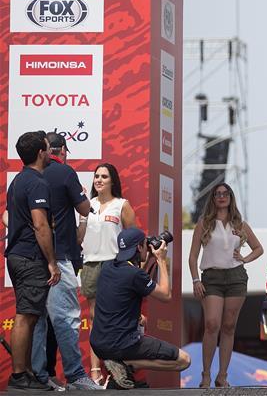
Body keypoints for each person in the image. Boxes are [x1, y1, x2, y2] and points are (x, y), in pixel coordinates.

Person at [28, 132, 100, 390]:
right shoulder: (65, 173)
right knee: (67, 317)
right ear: (63, 151)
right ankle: (75, 375)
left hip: (31, 258)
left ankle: (38, 375)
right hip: (58, 256)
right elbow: (84, 209)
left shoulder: (28, 177)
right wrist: (81, 196)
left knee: (37, 320)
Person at [90, 228, 190, 389]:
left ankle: (120, 368)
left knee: (141, 320)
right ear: (138, 248)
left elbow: (133, 281)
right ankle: (129, 364)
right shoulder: (135, 275)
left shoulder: (107, 267)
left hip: (99, 344)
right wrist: (161, 259)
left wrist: (147, 255)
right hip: (121, 344)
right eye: (145, 244)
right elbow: (165, 295)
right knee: (184, 360)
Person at [188, 182, 264, 388]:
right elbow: (193, 256)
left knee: (229, 327)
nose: (221, 197)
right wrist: (196, 280)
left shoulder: (239, 224)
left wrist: (245, 259)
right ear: (213, 198)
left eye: (225, 193)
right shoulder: (204, 223)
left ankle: (222, 376)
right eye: (217, 194)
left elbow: (259, 248)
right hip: (211, 278)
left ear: (230, 197)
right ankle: (205, 375)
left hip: (236, 278)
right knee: (212, 324)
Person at [5, 131, 61, 391]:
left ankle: (25, 372)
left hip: (18, 256)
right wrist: (52, 261)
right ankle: (19, 376)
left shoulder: (17, 181)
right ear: (41, 152)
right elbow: (40, 225)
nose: (51, 153)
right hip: (29, 257)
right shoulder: (37, 183)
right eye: (49, 149)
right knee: (26, 317)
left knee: (29, 316)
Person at [77, 163, 136, 385]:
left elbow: (134, 240)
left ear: (113, 181)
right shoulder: (86, 205)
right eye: (96, 176)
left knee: (114, 318)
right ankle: (94, 371)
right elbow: (78, 239)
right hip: (91, 264)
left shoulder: (122, 205)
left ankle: (117, 369)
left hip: (114, 265)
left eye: (104, 176)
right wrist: (82, 218)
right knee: (94, 318)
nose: (99, 180)